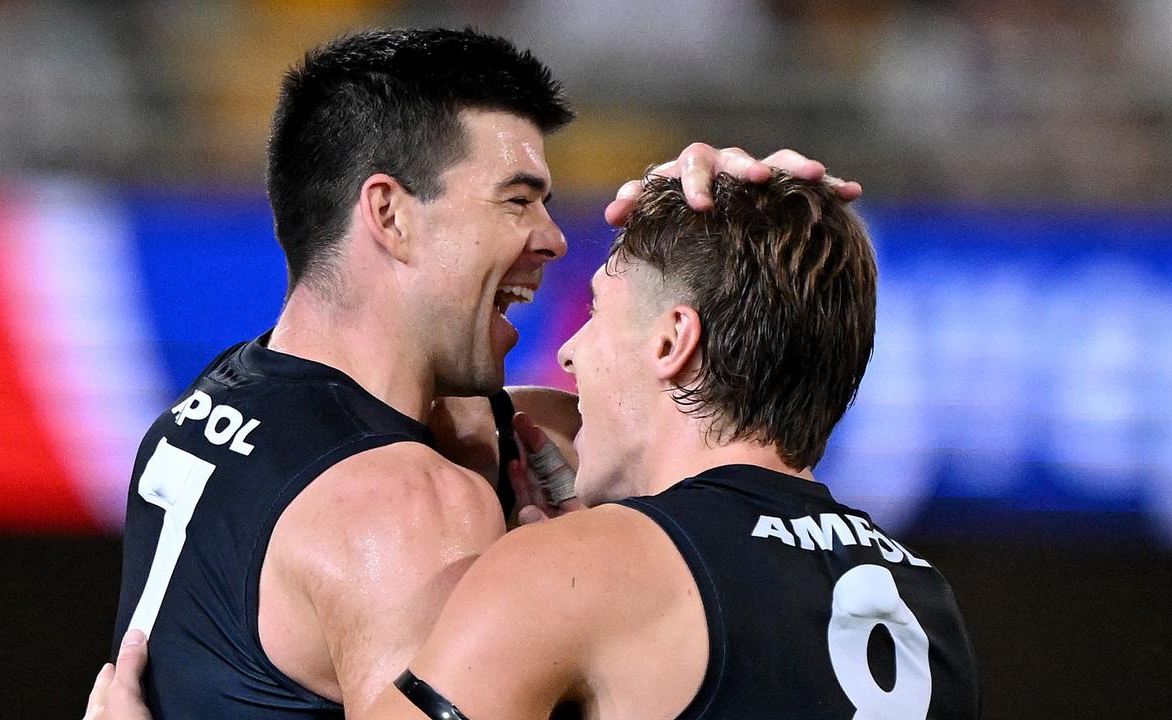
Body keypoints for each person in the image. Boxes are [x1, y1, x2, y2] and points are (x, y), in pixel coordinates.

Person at [104, 26, 857, 720]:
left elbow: (706, 448)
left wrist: (729, 245)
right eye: (517, 201)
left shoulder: (220, 396)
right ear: (391, 215)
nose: (555, 239)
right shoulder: (410, 508)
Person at [357, 172, 982, 719]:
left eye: (597, 311)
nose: (571, 351)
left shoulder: (574, 570)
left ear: (670, 342)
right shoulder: (929, 606)